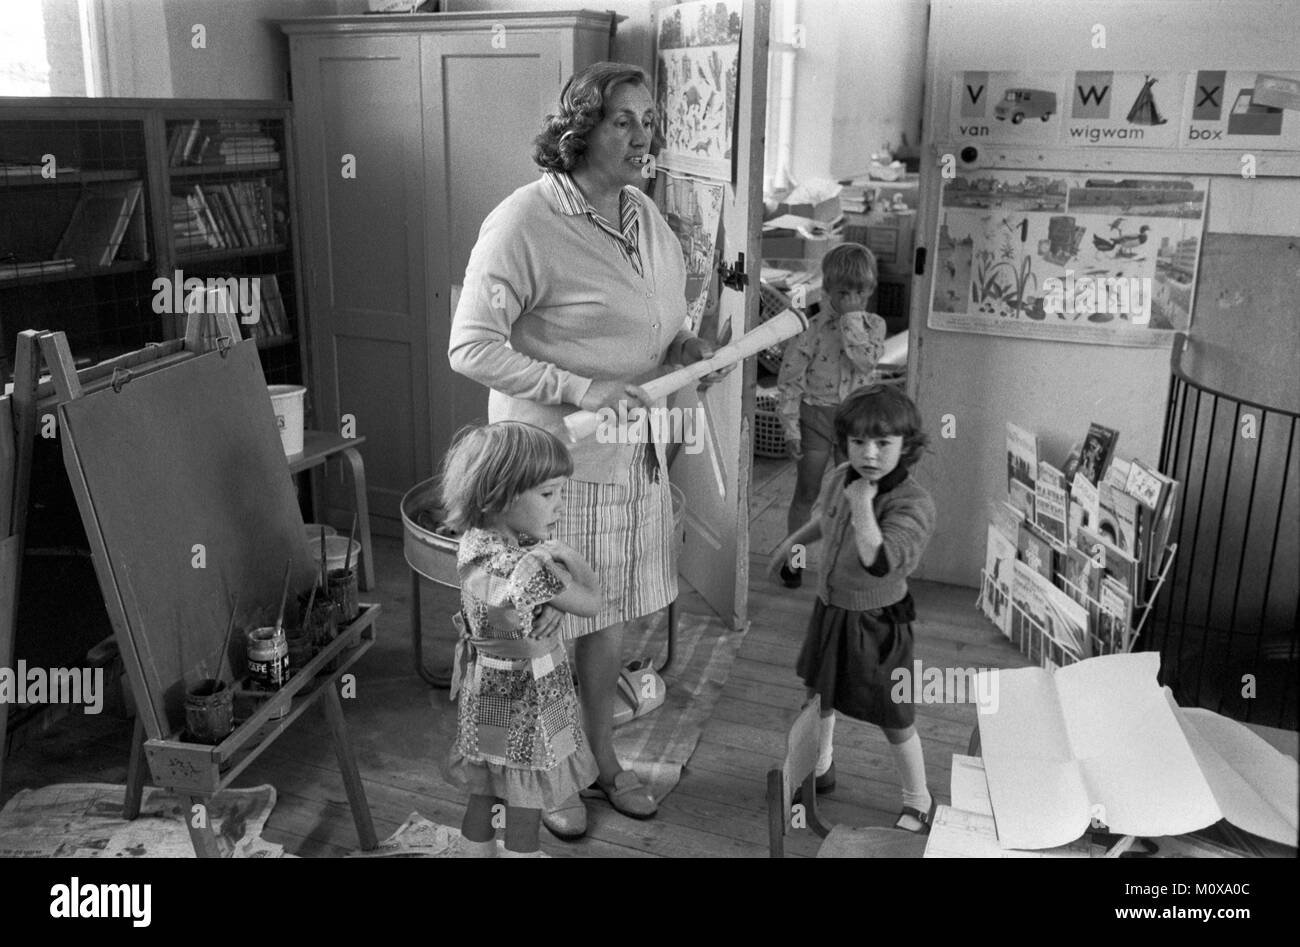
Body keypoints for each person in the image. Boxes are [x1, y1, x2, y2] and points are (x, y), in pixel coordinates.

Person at [448, 62, 728, 838]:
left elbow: (657, 319)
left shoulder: (643, 214)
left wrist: (680, 343)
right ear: (579, 131)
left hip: (632, 455)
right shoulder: (523, 222)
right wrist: (580, 387)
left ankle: (601, 759)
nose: (646, 136)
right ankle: (546, 782)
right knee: (543, 632)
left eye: (650, 120)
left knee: (608, 620)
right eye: (624, 121)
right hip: (557, 468)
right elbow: (470, 345)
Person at [768, 384, 938, 833]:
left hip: (878, 621)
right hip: (831, 609)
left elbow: (878, 560)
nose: (870, 453)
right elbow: (825, 519)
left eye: (884, 443)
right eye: (859, 441)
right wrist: (791, 543)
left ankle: (918, 799)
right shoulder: (841, 474)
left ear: (907, 446)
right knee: (818, 696)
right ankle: (821, 766)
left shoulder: (913, 503)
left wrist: (863, 503)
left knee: (893, 715)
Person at [440, 422, 602, 857]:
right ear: (503, 495)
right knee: (524, 798)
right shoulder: (527, 566)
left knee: (488, 788)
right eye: (548, 494)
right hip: (527, 695)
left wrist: (551, 596)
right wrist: (570, 558)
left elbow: (513, 600)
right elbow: (592, 603)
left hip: (488, 686)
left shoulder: (477, 543)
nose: (559, 506)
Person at [774, 243, 887, 587]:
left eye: (860, 293)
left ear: (870, 291)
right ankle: (794, 561)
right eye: (843, 293)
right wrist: (790, 427)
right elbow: (790, 381)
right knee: (806, 494)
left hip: (855, 425)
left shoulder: (873, 326)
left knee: (856, 495)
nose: (852, 299)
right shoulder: (809, 329)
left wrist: (852, 320)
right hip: (816, 419)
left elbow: (865, 361)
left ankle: (848, 564)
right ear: (827, 290)